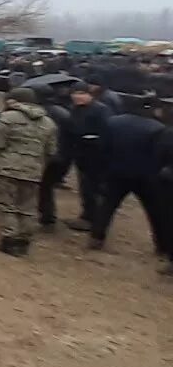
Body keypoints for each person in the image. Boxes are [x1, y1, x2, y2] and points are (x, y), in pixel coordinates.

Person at [89, 96, 172, 270]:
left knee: (107, 205)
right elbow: (159, 155)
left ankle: (96, 237)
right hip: (146, 177)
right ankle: (162, 245)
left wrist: (105, 168)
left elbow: (103, 147)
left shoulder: (113, 122)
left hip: (116, 172)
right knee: (156, 212)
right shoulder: (158, 129)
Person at [0, 87, 58, 257]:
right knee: (27, 208)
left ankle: (9, 241)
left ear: (14, 100)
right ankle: (24, 242)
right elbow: (51, 152)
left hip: (7, 168)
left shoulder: (9, 118)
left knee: (7, 206)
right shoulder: (49, 123)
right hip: (33, 171)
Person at [61, 82, 113, 232]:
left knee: (93, 187)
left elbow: (107, 132)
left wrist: (94, 139)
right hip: (80, 153)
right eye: (74, 94)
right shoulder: (74, 109)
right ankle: (87, 215)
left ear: (89, 94)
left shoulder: (101, 110)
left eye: (81, 93)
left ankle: (94, 219)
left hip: (95, 155)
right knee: (84, 186)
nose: (77, 97)